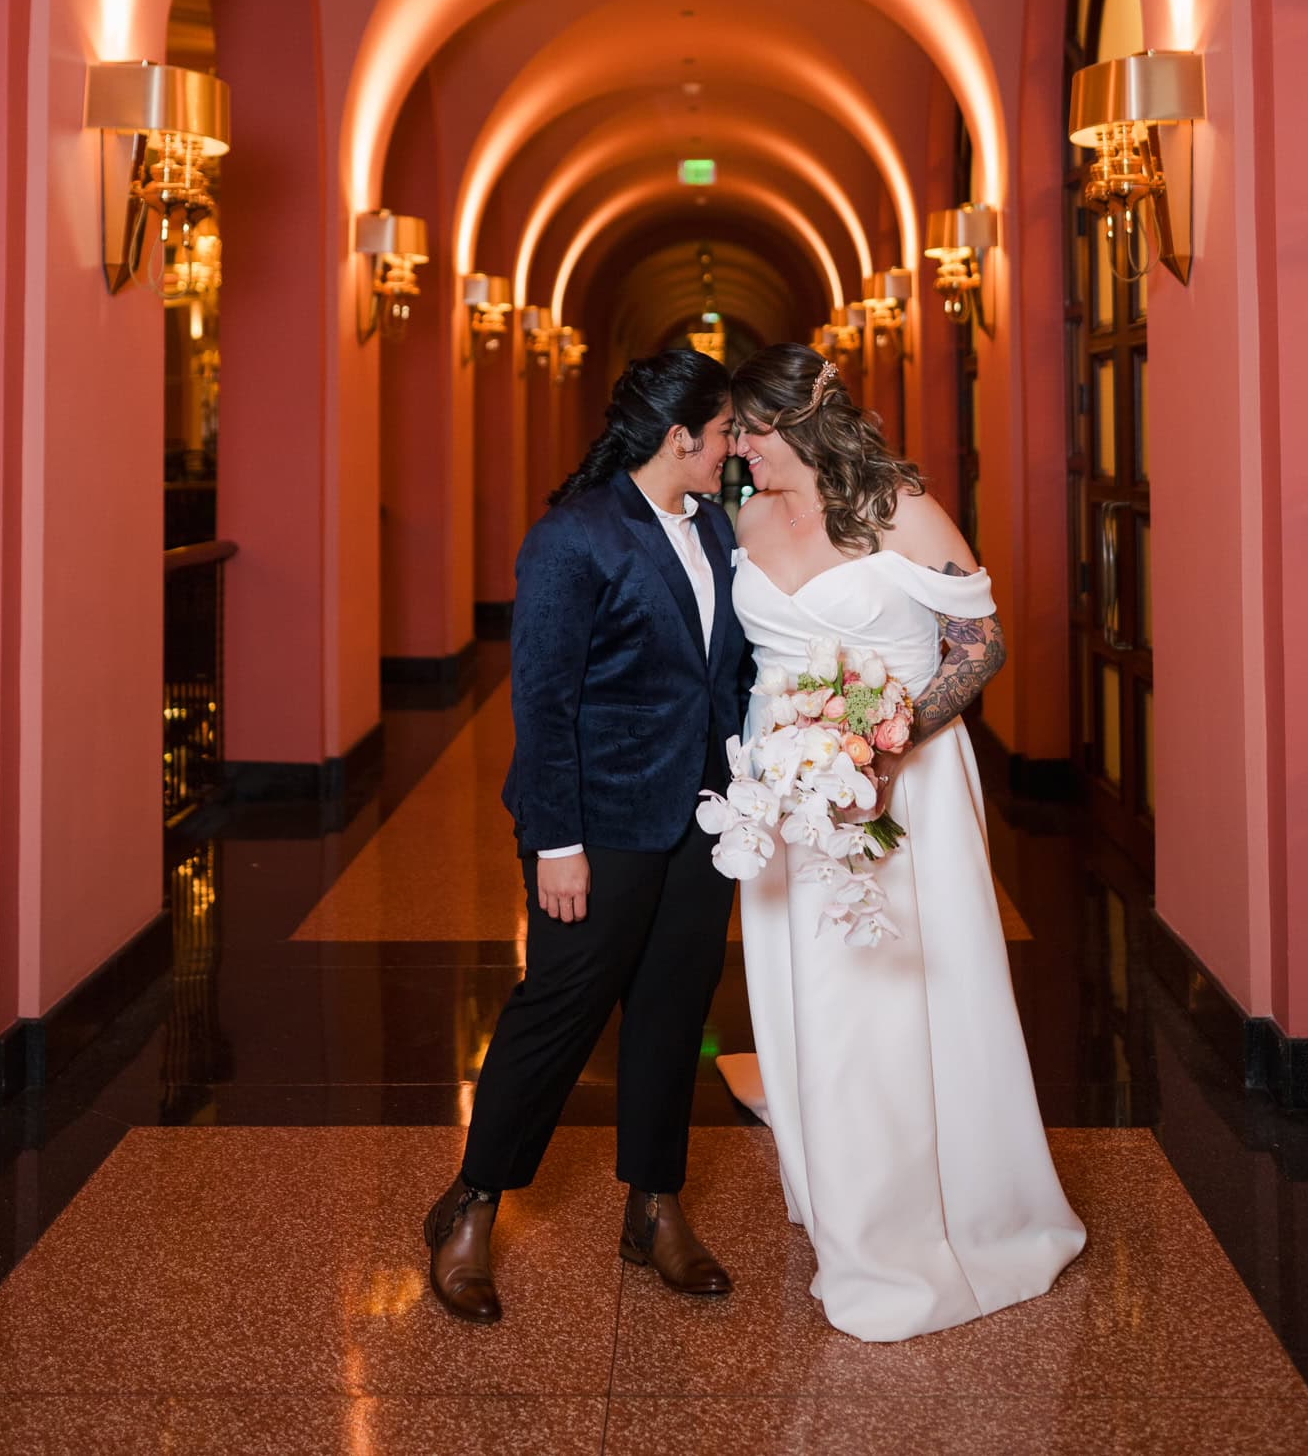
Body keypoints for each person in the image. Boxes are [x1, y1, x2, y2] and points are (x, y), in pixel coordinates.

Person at [726, 343, 1085, 1342]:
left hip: (904, 787)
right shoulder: (744, 517)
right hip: (786, 790)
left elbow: (983, 645)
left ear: (797, 422)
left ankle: (954, 1206)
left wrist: (887, 741)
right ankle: (842, 1195)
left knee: (907, 991)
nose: (739, 448)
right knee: (813, 1000)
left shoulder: (896, 508)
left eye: (751, 428)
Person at [424, 349, 754, 1323]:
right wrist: (556, 841)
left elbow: (721, 673)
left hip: (700, 819)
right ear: (679, 435)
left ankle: (654, 1209)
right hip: (598, 822)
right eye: (725, 430)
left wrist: (758, 773)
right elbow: (543, 701)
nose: (734, 446)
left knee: (672, 1011)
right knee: (557, 1012)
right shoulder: (575, 537)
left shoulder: (715, 528)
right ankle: (472, 1206)